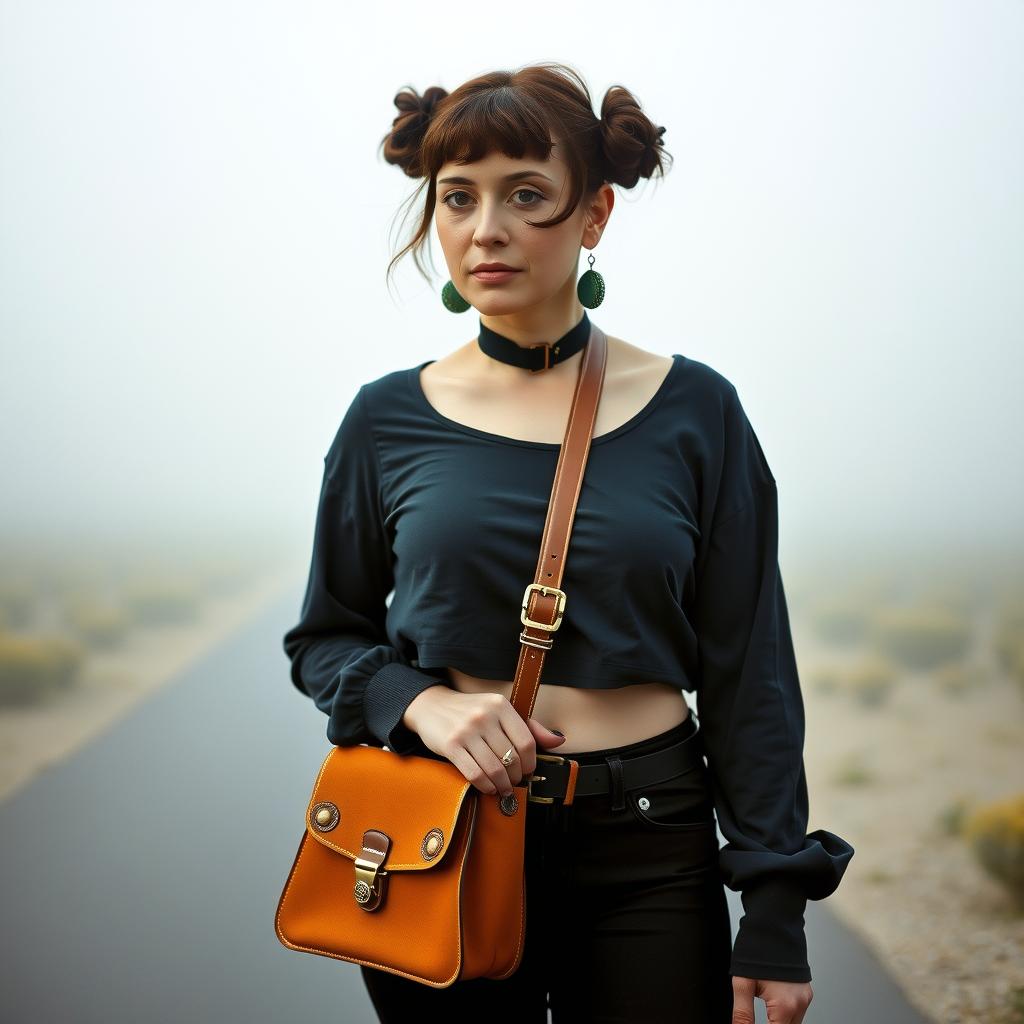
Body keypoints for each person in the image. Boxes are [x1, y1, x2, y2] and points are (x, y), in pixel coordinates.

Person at [282, 61, 854, 1024]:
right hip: (441, 837)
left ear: (594, 217)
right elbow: (325, 640)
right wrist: (418, 702)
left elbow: (750, 667)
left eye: (526, 195)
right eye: (457, 198)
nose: (484, 229)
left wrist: (774, 907)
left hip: (648, 847)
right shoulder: (384, 420)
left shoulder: (696, 411)